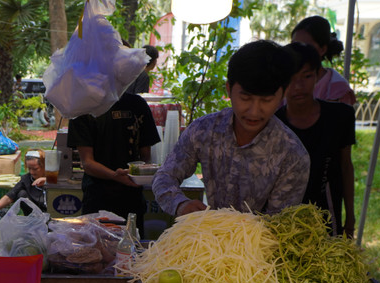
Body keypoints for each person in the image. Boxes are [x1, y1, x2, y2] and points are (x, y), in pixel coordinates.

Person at [153, 40, 310, 217]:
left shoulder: (292, 155)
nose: (254, 111)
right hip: (207, 239)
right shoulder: (204, 130)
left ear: (283, 93)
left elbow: (279, 225)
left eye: (266, 100)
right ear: (229, 89)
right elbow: (164, 177)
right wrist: (180, 204)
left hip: (258, 243)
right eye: (245, 98)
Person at [276, 42, 356, 237]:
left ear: (318, 76)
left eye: (307, 76)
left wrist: (351, 217)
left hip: (328, 218)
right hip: (283, 220)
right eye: (291, 79)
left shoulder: (340, 116)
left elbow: (346, 166)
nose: (299, 86)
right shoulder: (274, 125)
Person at [67, 92, 161, 233]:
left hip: (124, 198)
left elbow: (87, 162)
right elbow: (145, 156)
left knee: (103, 250)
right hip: (103, 198)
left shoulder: (82, 105)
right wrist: (122, 174)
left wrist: (117, 174)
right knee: (128, 248)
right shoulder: (136, 103)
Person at [292, 16, 357, 106]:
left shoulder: (337, 89)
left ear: (322, 49)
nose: (298, 51)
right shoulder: (285, 81)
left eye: (305, 46)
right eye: (294, 46)